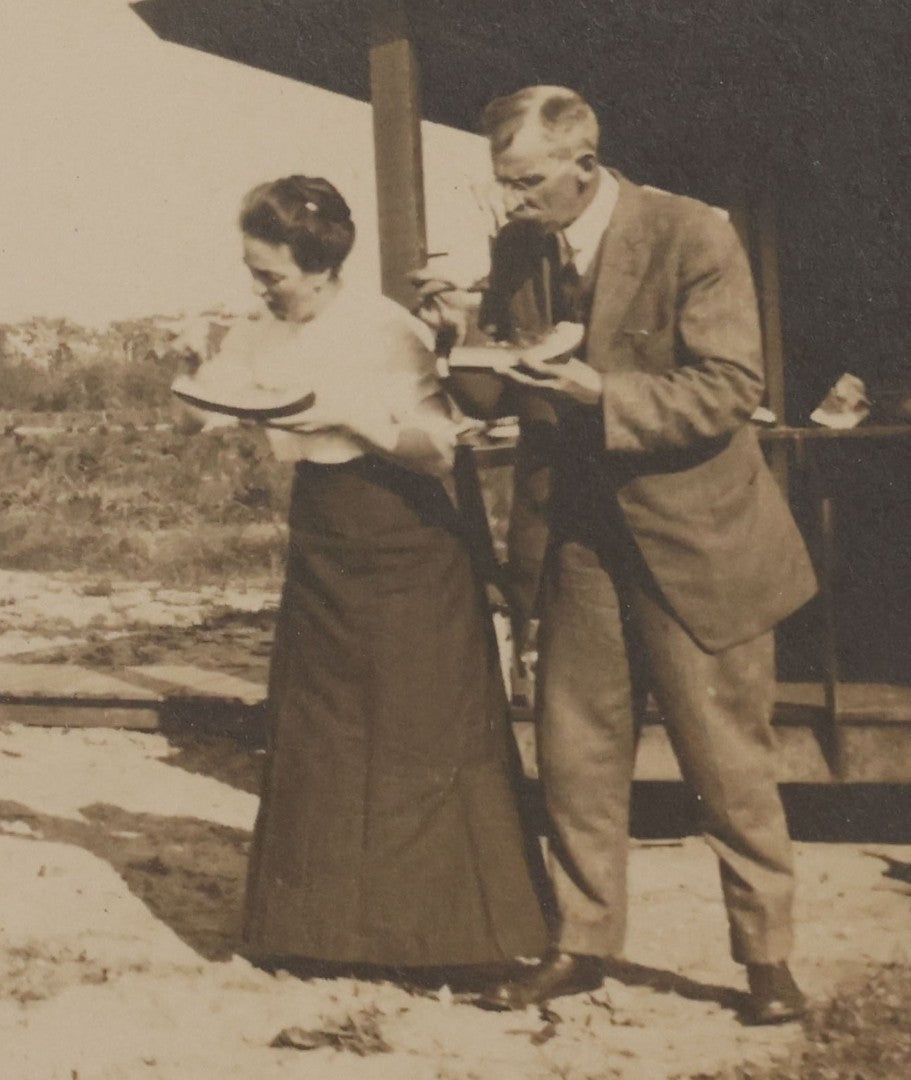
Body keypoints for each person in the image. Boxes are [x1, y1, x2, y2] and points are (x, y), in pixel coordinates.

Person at [415, 87, 818, 1023]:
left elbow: (727, 389)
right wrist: (461, 338)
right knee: (575, 757)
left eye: (525, 183)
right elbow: (499, 396)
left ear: (584, 167)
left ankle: (767, 963)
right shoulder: (519, 247)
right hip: (580, 538)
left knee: (728, 766)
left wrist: (601, 391)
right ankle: (582, 944)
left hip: (696, 538)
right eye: (503, 184)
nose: (511, 203)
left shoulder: (690, 234)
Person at [179, 175, 549, 977]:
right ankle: (319, 935)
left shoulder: (384, 329)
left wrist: (349, 420)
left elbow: (437, 449)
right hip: (324, 533)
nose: (260, 287)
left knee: (418, 731)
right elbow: (210, 402)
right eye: (253, 271)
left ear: (318, 266)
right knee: (326, 730)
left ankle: (451, 942)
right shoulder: (261, 328)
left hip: (406, 534)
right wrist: (203, 382)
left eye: (270, 274)